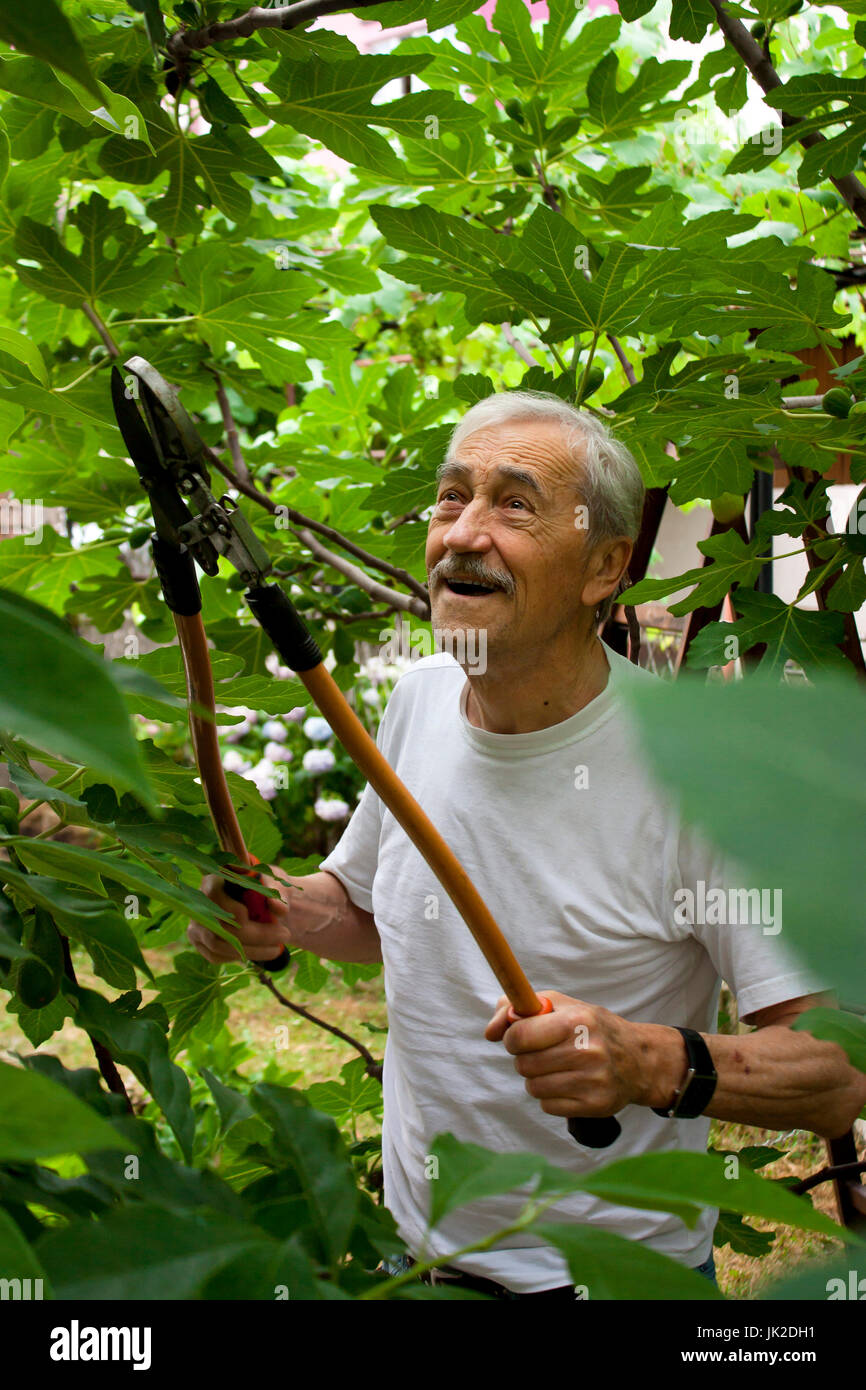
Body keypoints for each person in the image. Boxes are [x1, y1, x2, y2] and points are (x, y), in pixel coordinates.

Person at [188, 391, 865, 1297]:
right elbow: (368, 915)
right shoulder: (420, 699)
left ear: (605, 566)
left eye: (513, 505)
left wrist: (649, 1062)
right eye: (450, 497)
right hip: (416, 1261)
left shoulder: (705, 776)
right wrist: (281, 912)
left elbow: (836, 1069)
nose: (463, 534)